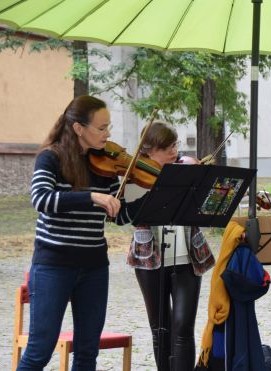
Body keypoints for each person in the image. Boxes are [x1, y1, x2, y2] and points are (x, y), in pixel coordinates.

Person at [18, 95, 144, 370]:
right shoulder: (50, 157)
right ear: (78, 128)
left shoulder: (106, 165)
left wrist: (155, 201)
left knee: (88, 352)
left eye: (108, 127)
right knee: (40, 350)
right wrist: (91, 197)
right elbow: (42, 200)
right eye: (101, 128)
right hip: (54, 265)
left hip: (94, 267)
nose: (108, 133)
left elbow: (117, 213)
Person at [125, 121, 215, 371]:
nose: (174, 152)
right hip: (150, 260)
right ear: (148, 151)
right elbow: (129, 215)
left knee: (183, 327)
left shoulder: (186, 171)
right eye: (167, 148)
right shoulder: (133, 177)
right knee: (160, 328)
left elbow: (206, 210)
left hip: (188, 257)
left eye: (175, 145)